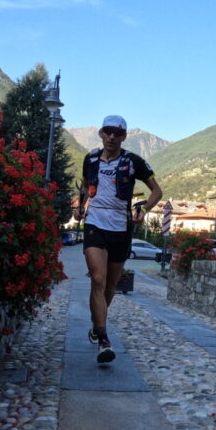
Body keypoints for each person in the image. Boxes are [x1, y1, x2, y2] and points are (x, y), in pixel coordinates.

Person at [75, 115, 162, 363]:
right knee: (98, 279)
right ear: (101, 133)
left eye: (117, 133)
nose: (112, 137)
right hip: (95, 222)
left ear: (124, 136)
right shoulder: (90, 158)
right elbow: (84, 184)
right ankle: (103, 338)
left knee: (110, 285)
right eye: (108, 132)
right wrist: (80, 205)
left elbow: (157, 190)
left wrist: (144, 210)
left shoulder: (133, 161)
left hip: (120, 226)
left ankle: (96, 325)